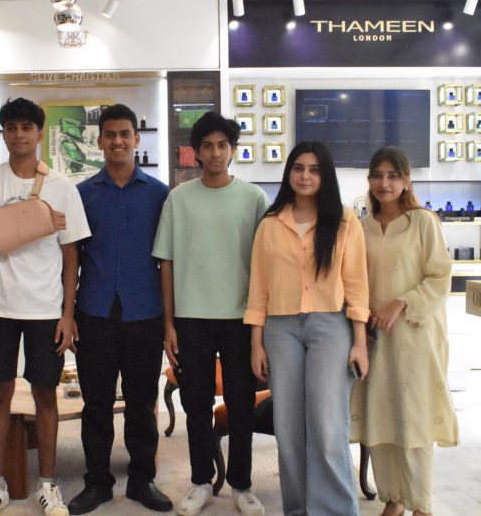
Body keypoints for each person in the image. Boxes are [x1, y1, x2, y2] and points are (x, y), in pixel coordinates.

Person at [0, 97, 90, 516]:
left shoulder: (62, 187)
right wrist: (37, 219)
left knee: (45, 396)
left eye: (26, 127)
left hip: (45, 309)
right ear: (3, 133)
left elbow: (71, 256)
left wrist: (68, 314)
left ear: (39, 133)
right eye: (11, 127)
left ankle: (48, 485)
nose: (19, 134)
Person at [152, 111, 268, 516]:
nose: (215, 153)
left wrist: (261, 324)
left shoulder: (254, 198)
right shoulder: (179, 198)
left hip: (241, 319)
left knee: (241, 405)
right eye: (207, 146)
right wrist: (168, 323)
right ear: (196, 153)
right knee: (196, 405)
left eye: (222, 145)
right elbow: (166, 263)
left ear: (232, 150)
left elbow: (266, 265)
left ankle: (242, 485)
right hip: (191, 319)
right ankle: (201, 481)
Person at [245, 141, 369, 516]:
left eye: (314, 170)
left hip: (330, 326)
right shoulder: (270, 224)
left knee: (328, 426)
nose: (305, 176)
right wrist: (256, 343)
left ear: (325, 175)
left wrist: (360, 342)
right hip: (280, 329)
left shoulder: (344, 221)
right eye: (298, 168)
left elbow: (357, 284)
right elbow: (259, 287)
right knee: (288, 427)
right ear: (289, 173)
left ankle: (335, 511)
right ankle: (298, 510)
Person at [69, 104, 172, 515]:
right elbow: (72, 257)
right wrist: (67, 313)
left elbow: (168, 260)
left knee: (142, 403)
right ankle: (97, 483)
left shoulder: (160, 195)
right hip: (94, 312)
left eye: (124, 134)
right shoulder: (82, 195)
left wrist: (170, 320)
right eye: (109, 134)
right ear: (99, 141)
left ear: (136, 139)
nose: (117, 141)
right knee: (95, 405)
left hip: (144, 312)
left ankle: (142, 480)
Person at [350, 146, 459, 516]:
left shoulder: (423, 222)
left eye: (393, 176)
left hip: (415, 338)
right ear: (369, 180)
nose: (384, 183)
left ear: (406, 181)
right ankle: (393, 498)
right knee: (381, 417)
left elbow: (440, 276)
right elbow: (354, 279)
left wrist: (402, 302)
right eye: (377, 176)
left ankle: (421, 505)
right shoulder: (360, 227)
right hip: (374, 340)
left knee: (413, 420)